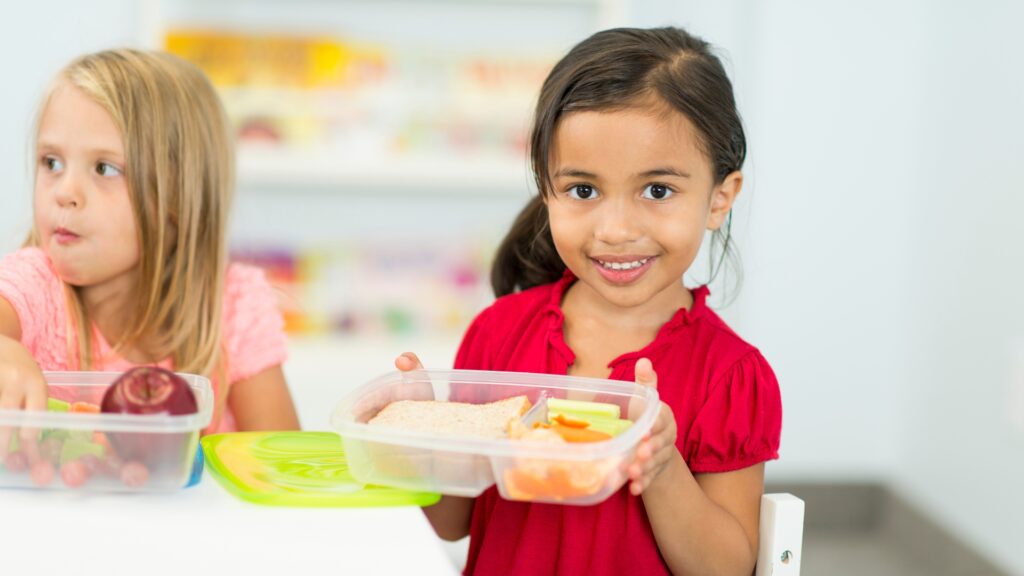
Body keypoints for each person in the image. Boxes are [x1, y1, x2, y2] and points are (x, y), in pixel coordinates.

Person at [396, 27, 782, 575]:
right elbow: (452, 521)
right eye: (583, 190)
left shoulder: (732, 375)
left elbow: (725, 568)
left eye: (657, 191)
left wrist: (662, 467)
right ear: (547, 189)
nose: (616, 230)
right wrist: (425, 441)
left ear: (720, 198)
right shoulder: (496, 334)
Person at [0, 49, 300, 447]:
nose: (64, 192)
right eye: (51, 162)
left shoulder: (233, 304)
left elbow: (286, 461)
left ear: (177, 200)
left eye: (104, 168)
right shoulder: (36, 282)